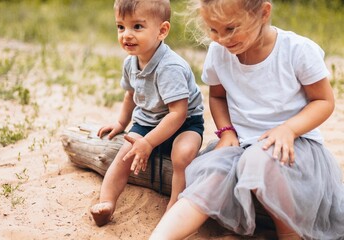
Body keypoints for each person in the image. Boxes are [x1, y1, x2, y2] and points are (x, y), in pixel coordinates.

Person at [150, 0, 344, 239]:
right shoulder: (219, 51)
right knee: (211, 175)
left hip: (294, 147)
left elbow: (324, 101)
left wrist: (289, 129)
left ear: (263, 13)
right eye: (213, 29)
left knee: (259, 160)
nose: (222, 38)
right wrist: (227, 131)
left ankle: (290, 233)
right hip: (240, 145)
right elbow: (218, 97)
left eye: (230, 28)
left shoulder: (297, 50)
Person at [90, 0, 205, 227]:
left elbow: (178, 114)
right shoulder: (130, 63)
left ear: (162, 31)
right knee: (123, 156)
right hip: (147, 120)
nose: (127, 35)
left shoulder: (170, 67)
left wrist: (149, 143)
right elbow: (130, 95)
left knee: (183, 155)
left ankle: (174, 205)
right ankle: (107, 201)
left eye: (137, 27)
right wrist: (121, 122)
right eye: (121, 27)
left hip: (185, 124)